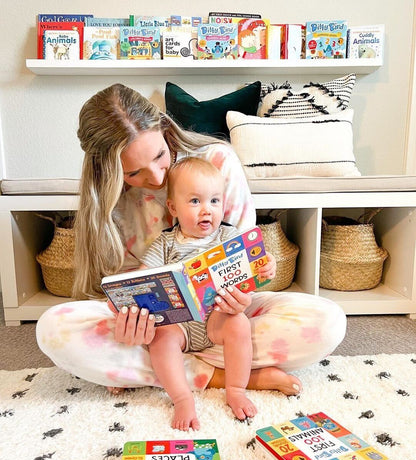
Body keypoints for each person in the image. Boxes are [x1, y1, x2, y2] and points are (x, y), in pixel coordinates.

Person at [36, 83, 346, 407]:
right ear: (109, 171)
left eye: (159, 156)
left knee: (327, 321)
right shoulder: (110, 203)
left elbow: (242, 255)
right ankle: (229, 377)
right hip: (162, 333)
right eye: (133, 173)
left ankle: (151, 374)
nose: (156, 178)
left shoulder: (216, 163)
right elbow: (127, 287)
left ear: (165, 128)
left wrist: (245, 292)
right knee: (53, 329)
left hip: (222, 319)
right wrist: (131, 322)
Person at [139, 156, 289, 430]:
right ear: (172, 207)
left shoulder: (228, 238)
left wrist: (266, 267)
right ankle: (182, 397)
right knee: (160, 338)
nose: (206, 210)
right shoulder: (165, 242)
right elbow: (142, 276)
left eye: (214, 201)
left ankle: (235, 388)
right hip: (179, 324)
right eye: (195, 201)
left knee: (239, 324)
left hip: (216, 319)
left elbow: (255, 268)